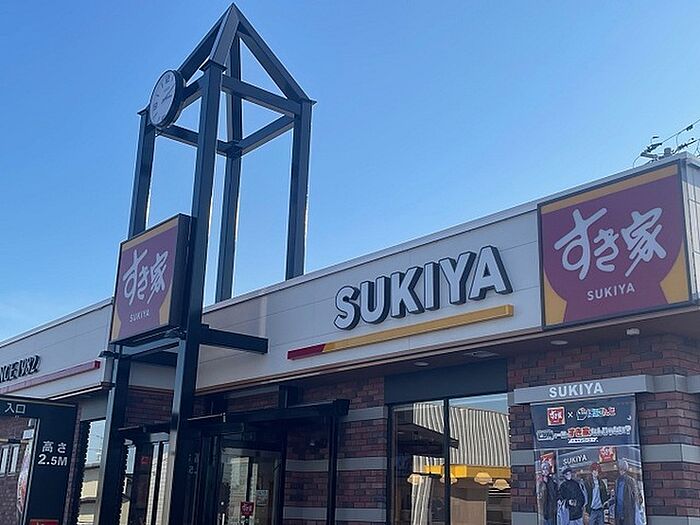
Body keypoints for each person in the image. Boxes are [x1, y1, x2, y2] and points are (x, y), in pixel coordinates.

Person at [614, 460, 640, 525]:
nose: (621, 471)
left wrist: (635, 508)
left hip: (628, 512)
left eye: (623, 469)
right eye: (620, 469)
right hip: (618, 512)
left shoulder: (631, 481)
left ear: (625, 469)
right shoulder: (617, 481)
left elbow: (636, 497)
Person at [537, 461, 558, 525]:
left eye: (547, 468)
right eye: (544, 469)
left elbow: (554, 495)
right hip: (541, 512)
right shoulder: (539, 482)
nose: (545, 470)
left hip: (550, 511)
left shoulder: (552, 482)